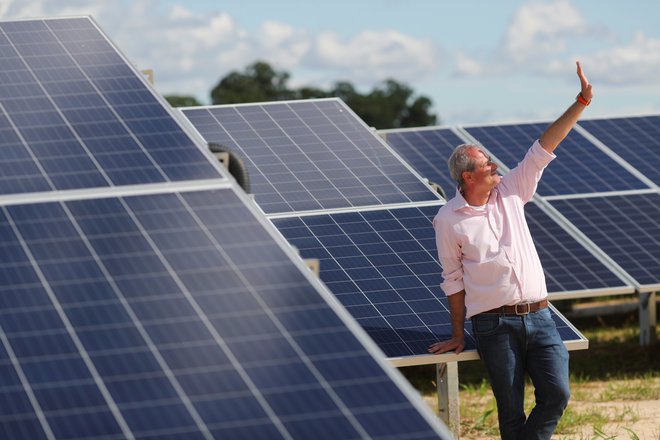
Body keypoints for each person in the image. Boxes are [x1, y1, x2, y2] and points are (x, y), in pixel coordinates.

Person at [428, 61, 593, 440]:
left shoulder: (513, 191)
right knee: (510, 411)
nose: (495, 164)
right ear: (468, 176)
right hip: (493, 325)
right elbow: (452, 279)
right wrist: (457, 332)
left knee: (557, 394)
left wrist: (581, 102)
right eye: (487, 163)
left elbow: (542, 148)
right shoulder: (449, 218)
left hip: (540, 316)